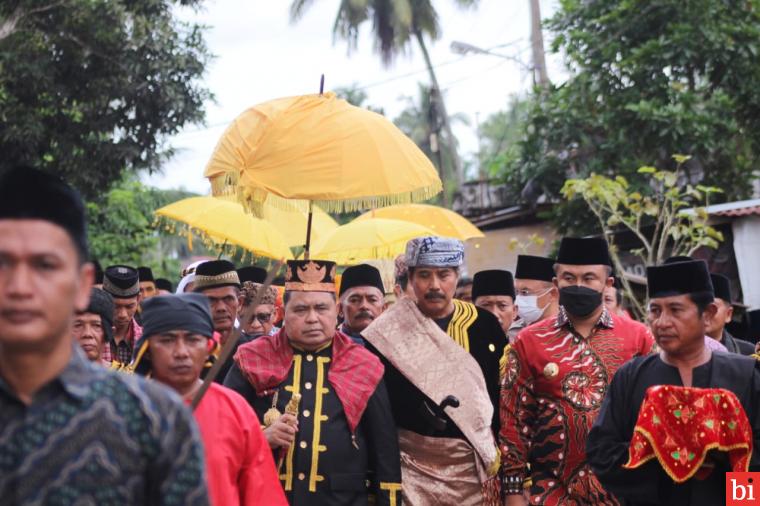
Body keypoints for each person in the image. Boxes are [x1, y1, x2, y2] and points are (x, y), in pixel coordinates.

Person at [0, 166, 209, 505]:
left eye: (45, 266)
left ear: (83, 285)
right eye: (3, 263)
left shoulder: (154, 419)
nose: (20, 287)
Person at [223, 259, 402, 505]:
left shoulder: (363, 364)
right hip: (266, 495)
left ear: (337, 310)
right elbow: (223, 434)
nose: (312, 318)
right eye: (300, 310)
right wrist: (262, 438)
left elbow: (385, 449)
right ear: (283, 313)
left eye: (321, 308)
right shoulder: (251, 358)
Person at [587, 259, 760, 505]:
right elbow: (601, 452)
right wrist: (663, 452)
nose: (662, 322)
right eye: (655, 310)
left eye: (676, 310)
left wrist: (722, 459)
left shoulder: (743, 375)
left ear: (708, 314)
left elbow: (755, 459)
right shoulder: (631, 377)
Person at [500, 237, 655, 506]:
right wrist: (513, 492)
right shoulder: (529, 340)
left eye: (589, 278)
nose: (579, 286)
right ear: (556, 282)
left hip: (626, 491)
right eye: (569, 277)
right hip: (550, 492)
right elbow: (513, 419)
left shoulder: (639, 338)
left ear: (607, 284)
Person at [362, 237, 507, 505]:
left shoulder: (484, 325)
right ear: (411, 278)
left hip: (477, 474)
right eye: (424, 275)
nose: (434, 285)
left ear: (457, 276)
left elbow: (504, 403)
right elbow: (376, 418)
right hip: (411, 476)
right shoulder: (384, 334)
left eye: (444, 275)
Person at [134, 293, 287, 506]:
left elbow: (262, 495)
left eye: (192, 340)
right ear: (147, 350)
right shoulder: (124, 409)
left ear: (209, 348)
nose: (181, 352)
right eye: (167, 340)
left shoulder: (235, 410)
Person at [511, 254, 559, 339]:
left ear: (552, 294)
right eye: (516, 292)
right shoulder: (513, 333)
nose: (518, 299)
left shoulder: (574, 330)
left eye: (525, 292)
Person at [102, 264, 142, 365]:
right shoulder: (91, 338)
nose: (122, 314)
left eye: (129, 307)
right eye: (116, 306)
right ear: (104, 298)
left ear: (138, 299)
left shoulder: (146, 343)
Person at [705, 273, 754, 355]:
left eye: (713, 307)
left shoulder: (748, 353)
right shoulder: (678, 351)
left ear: (728, 314)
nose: (704, 313)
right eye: (699, 307)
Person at [338, 263, 386, 345]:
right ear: (340, 309)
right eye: (355, 300)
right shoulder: (329, 346)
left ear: (384, 309)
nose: (364, 306)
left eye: (372, 300)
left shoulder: (397, 347)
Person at [73, 287, 114, 366]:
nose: (87, 334)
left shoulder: (123, 376)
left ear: (109, 332)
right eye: (78, 325)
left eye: (96, 325)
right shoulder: (50, 376)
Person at [471, 269, 517, 337]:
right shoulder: (458, 345)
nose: (494, 314)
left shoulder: (523, 345)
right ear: (471, 310)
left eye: (502, 305)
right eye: (485, 305)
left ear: (514, 311)